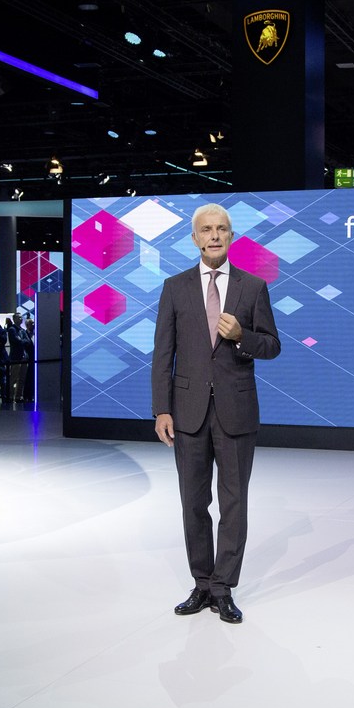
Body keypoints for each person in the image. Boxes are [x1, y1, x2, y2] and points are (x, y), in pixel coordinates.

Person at [151, 203, 280, 624]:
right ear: (195, 239)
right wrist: (161, 409)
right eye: (206, 230)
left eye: (221, 229)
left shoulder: (252, 287)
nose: (214, 236)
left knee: (233, 502)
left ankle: (223, 588)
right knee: (193, 502)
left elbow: (272, 345)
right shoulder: (175, 287)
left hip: (236, 410)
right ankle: (202, 583)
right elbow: (163, 353)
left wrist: (243, 336)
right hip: (187, 412)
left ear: (231, 236)